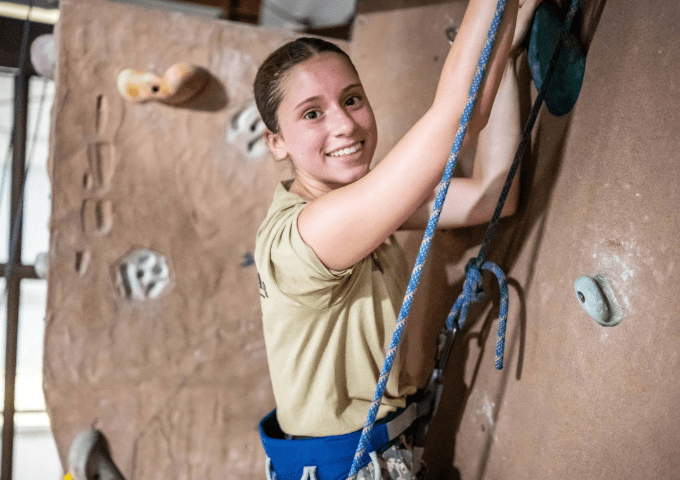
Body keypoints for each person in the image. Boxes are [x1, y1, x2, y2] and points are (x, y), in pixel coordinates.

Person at [254, 1, 540, 478]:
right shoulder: (311, 233)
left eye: (351, 99)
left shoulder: (358, 209)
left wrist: (505, 53)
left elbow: (494, 195)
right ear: (276, 142)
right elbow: (457, 122)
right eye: (311, 114)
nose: (344, 125)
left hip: (375, 452)